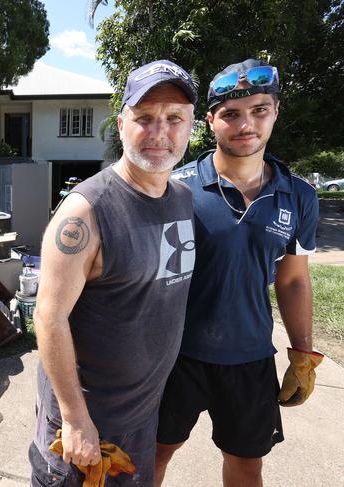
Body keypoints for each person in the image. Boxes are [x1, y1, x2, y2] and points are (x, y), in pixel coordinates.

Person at [29, 60, 198, 486]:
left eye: (174, 118)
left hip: (141, 415)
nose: (160, 132)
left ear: (191, 127)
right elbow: (48, 317)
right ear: (121, 124)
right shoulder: (87, 212)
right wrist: (75, 419)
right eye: (144, 118)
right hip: (87, 426)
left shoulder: (180, 197)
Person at [155, 59, 323, 487]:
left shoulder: (298, 196)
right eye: (230, 113)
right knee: (152, 454)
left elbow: (293, 279)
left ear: (276, 112)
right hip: (177, 358)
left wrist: (302, 353)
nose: (245, 124)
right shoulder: (176, 187)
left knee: (248, 466)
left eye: (259, 109)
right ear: (210, 120)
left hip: (250, 359)